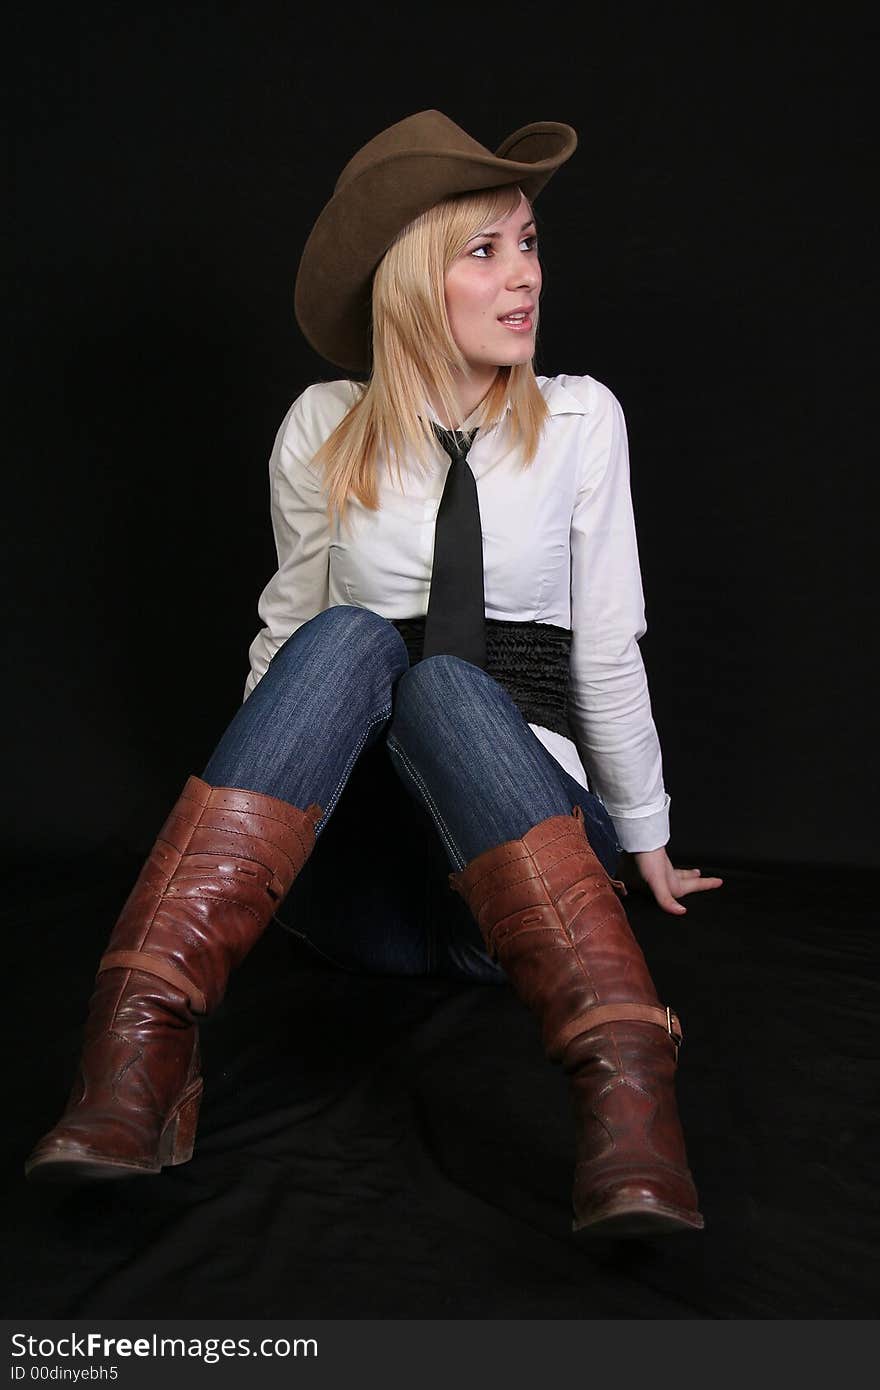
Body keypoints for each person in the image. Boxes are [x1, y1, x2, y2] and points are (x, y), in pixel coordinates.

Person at [25, 110, 723, 1237]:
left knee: (447, 685)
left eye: (530, 244)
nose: (522, 280)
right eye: (483, 251)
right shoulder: (322, 425)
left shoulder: (583, 420)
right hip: (363, 900)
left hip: (527, 884)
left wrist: (644, 840)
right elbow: (284, 635)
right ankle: (137, 1048)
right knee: (344, 638)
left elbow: (603, 643)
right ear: (408, 283)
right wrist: (254, 781)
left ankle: (630, 1095)